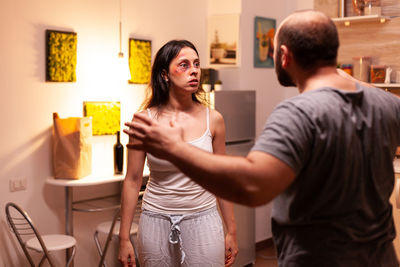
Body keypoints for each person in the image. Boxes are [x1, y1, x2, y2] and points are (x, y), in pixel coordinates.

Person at [124, 10, 400, 267]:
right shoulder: (386, 104)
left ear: (284, 55)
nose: (194, 70)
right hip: (382, 257)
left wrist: (172, 148)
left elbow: (253, 186)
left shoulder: (297, 114)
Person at [118, 39, 238, 267]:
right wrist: (124, 238)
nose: (193, 70)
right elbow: (132, 180)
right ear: (164, 74)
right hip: (155, 220)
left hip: (203, 220)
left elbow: (221, 179)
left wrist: (231, 230)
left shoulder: (213, 120)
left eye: (196, 64)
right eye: (184, 64)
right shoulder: (144, 121)